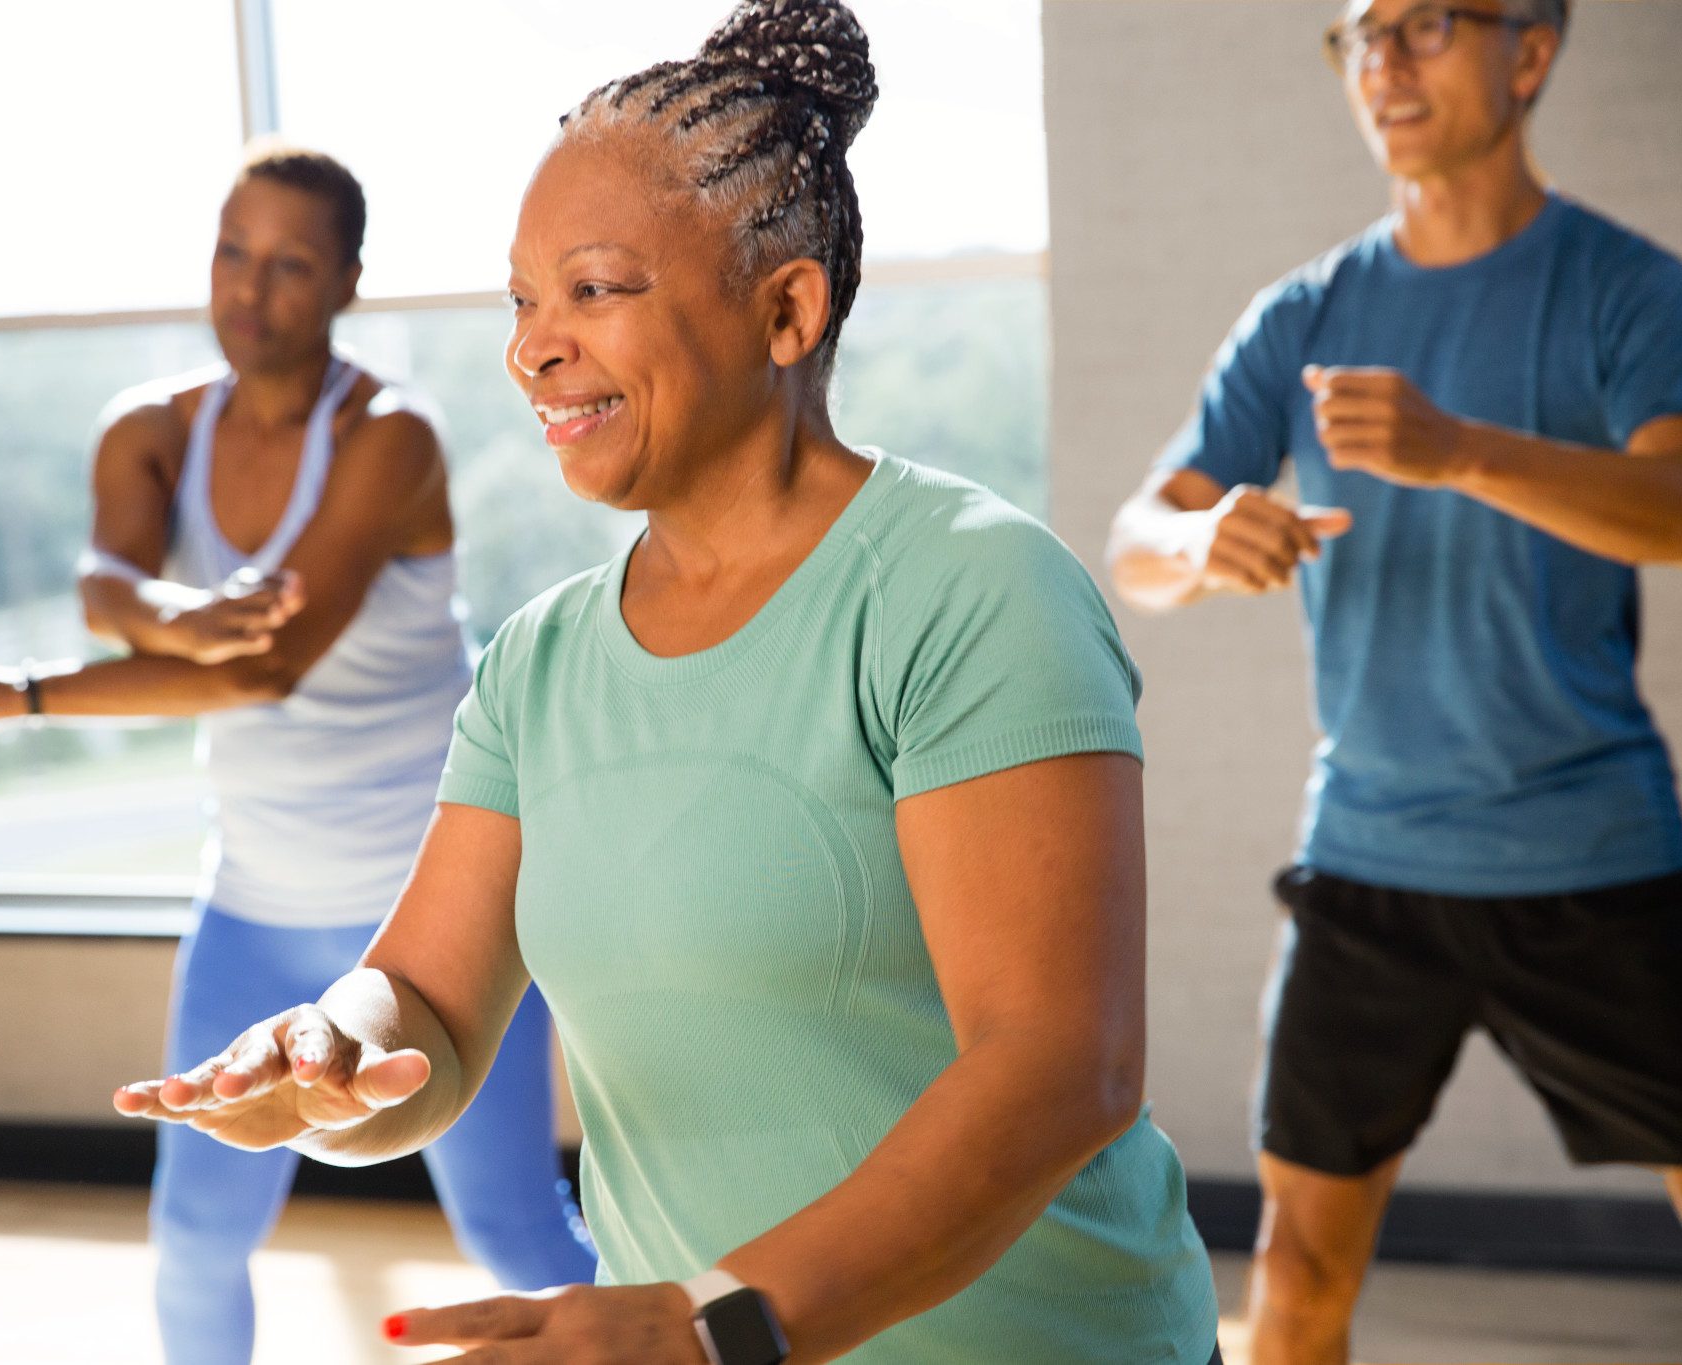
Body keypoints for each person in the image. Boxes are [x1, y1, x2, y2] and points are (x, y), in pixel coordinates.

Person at [115, 4, 1222, 1362]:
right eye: (524, 301)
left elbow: (1062, 1071)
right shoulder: (540, 663)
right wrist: (330, 1053)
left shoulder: (972, 591)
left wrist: (717, 1329)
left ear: (786, 308)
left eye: (594, 289)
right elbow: (433, 1007)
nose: (533, 347)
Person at [0, 143, 595, 1365]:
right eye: (232, 254)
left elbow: (265, 664)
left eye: (290, 266)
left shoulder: (391, 439)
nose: (249, 290)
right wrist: (165, 611)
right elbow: (105, 581)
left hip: (435, 911)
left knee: (515, 1241)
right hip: (252, 903)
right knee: (191, 1235)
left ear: (346, 281)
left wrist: (10, 697)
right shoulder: (149, 428)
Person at [1104, 2, 1682, 1360]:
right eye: (1359, 36)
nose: (1383, 61)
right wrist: (1203, 540)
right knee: (1300, 1269)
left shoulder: (1630, 289)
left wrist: (1463, 452)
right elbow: (1137, 540)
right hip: (1370, 859)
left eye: (1426, 24)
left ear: (1532, 53)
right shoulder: (1307, 314)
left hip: (1595, 852)